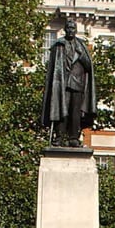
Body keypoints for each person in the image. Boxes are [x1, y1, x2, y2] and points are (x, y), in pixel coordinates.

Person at [41, 18, 97, 148]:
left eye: (73, 29)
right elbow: (53, 68)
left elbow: (89, 66)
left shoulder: (81, 45)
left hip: (77, 84)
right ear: (65, 30)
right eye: (69, 28)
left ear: (76, 31)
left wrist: (81, 55)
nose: (71, 31)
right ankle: (59, 137)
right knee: (61, 110)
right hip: (62, 83)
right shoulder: (59, 45)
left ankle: (74, 138)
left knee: (75, 112)